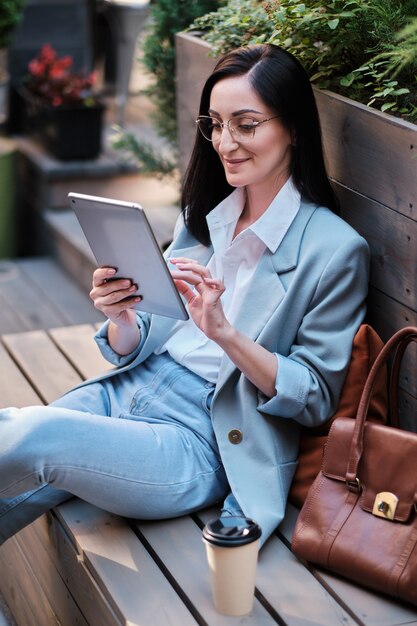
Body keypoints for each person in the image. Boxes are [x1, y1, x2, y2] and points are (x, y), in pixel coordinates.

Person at [0, 43, 369, 546]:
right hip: (127, 389)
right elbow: (146, 332)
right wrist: (121, 315)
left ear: (294, 128)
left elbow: (314, 397)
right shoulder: (206, 214)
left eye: (246, 124)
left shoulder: (334, 250)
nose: (225, 142)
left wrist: (224, 334)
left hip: (202, 438)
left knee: (35, 436)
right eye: (215, 124)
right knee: (11, 431)